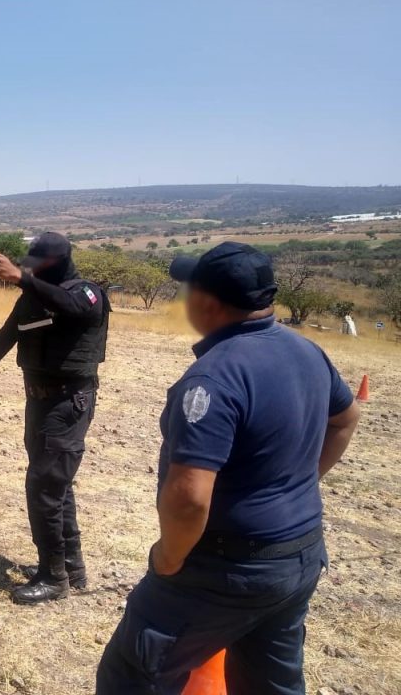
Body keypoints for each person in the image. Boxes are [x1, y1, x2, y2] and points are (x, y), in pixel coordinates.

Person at [96, 242, 360, 695]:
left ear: (207, 303)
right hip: (299, 557)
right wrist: (295, 486)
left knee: (133, 675)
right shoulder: (307, 351)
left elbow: (188, 499)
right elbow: (346, 418)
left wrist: (169, 556)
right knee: (271, 683)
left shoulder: (213, 378)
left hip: (225, 569)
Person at [0, 233, 110, 604]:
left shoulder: (87, 292)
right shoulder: (32, 296)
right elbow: (6, 335)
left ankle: (53, 577)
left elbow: (72, 307)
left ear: (58, 262)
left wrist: (21, 278)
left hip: (68, 402)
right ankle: (71, 566)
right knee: (55, 485)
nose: (32, 269)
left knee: (44, 487)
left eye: (38, 265)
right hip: (39, 402)